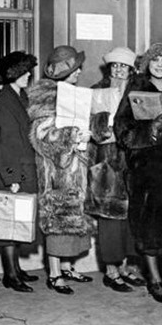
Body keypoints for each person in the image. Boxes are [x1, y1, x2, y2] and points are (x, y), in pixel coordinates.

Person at [114, 43, 162, 303]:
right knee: (148, 224)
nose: (160, 64)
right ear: (147, 64)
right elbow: (121, 128)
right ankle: (153, 277)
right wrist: (150, 131)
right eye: (155, 60)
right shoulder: (137, 87)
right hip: (146, 167)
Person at [28, 45, 95, 295]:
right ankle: (54, 273)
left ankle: (66, 267)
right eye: (76, 68)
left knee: (73, 222)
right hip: (56, 173)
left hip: (74, 169)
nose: (79, 72)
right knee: (57, 221)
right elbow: (42, 136)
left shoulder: (72, 94)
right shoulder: (46, 96)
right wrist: (72, 134)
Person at [88, 47, 145, 292]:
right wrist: (105, 134)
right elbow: (94, 130)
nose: (119, 70)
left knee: (129, 217)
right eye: (115, 66)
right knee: (109, 218)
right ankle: (111, 271)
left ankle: (123, 266)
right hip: (107, 163)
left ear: (131, 69)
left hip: (133, 162)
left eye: (124, 66)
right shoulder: (96, 92)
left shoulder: (140, 92)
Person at [0, 51, 39, 293]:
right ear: (13, 73)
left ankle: (16, 269)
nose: (29, 75)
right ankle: (10, 274)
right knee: (8, 224)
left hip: (23, 167)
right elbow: (6, 142)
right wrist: (11, 178)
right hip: (14, 170)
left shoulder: (18, 96)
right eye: (24, 71)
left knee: (19, 220)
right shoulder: (5, 101)